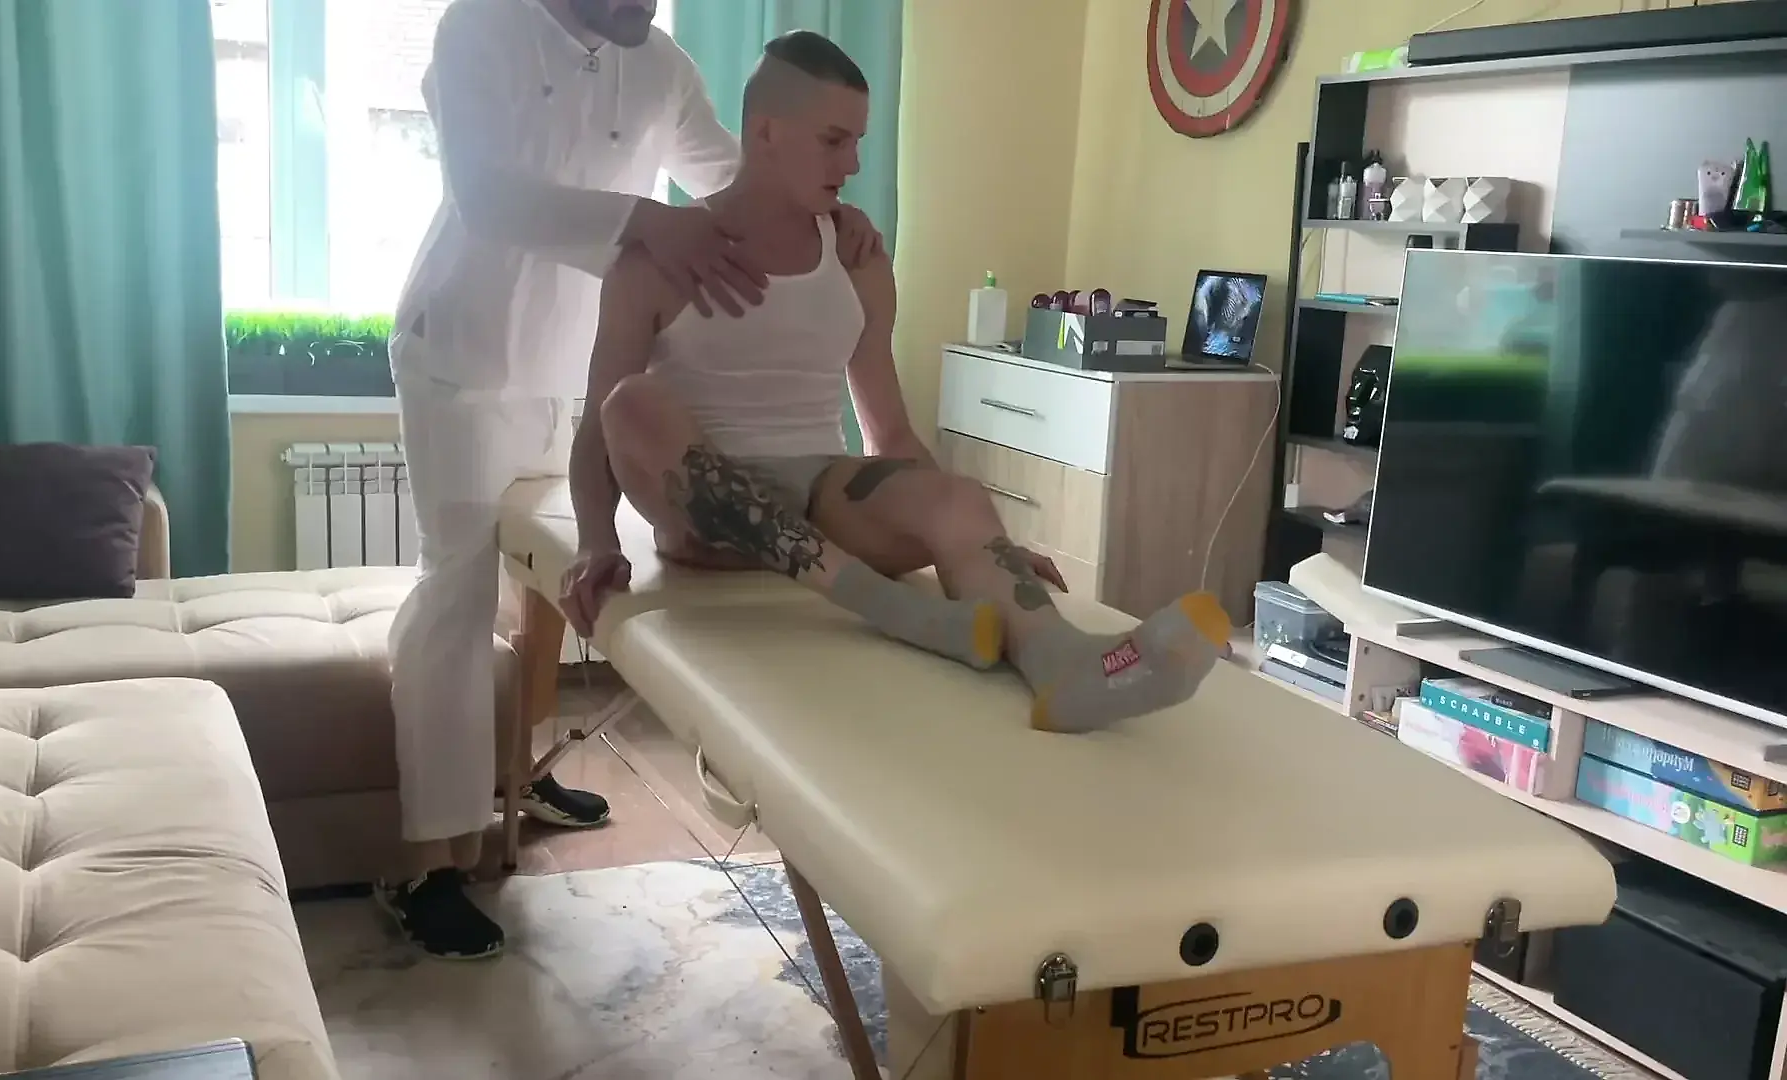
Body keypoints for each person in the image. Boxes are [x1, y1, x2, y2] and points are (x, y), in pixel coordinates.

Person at [383, 0, 886, 961]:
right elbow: (486, 195)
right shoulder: (480, 28)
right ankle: (427, 865)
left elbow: (740, 173)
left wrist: (832, 212)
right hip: (463, 361)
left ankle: (518, 775)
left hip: (579, 367)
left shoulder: (658, 64)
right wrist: (649, 221)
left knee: (543, 579)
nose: (647, 4)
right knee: (458, 592)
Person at [561, 31, 1230, 743]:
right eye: (833, 141)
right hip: (705, 518)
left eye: (858, 142)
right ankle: (899, 613)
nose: (853, 163)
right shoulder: (658, 258)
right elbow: (599, 430)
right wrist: (595, 540)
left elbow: (889, 433)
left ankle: (1066, 664)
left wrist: (986, 550)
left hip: (824, 501)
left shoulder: (859, 261)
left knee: (960, 496)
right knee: (630, 404)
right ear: (766, 132)